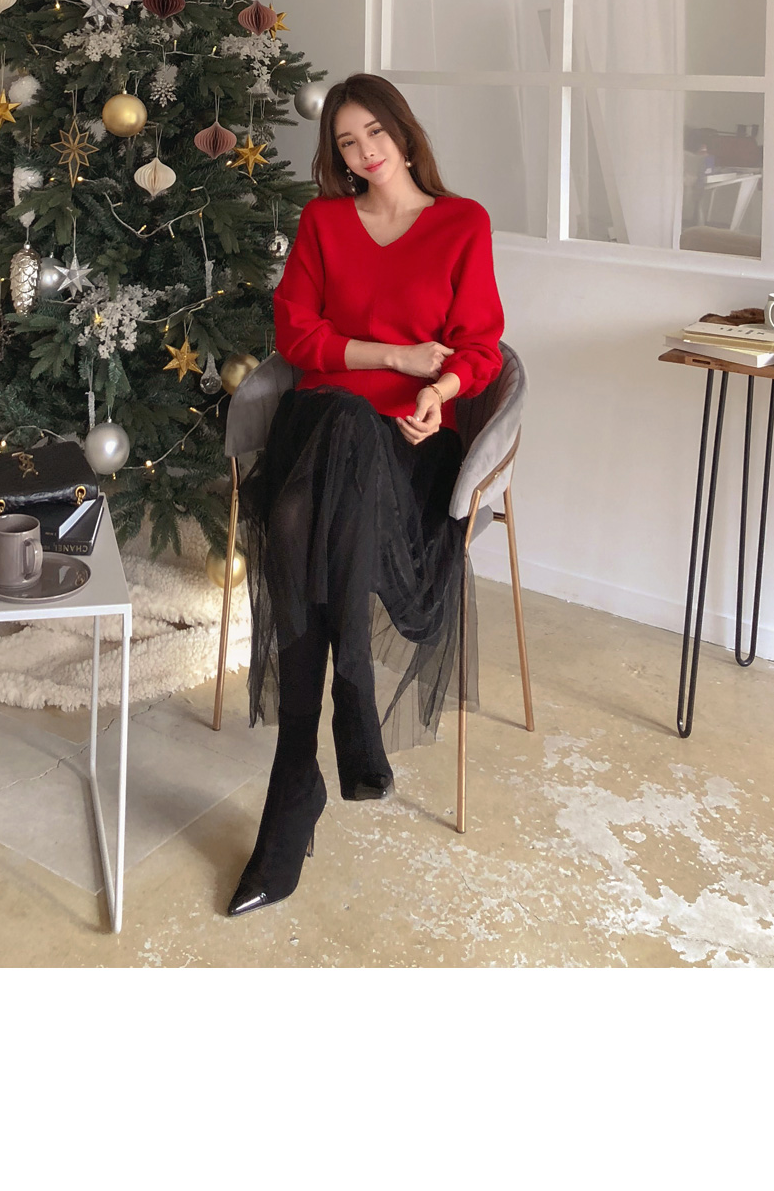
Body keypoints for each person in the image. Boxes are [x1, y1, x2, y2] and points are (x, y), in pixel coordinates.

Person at [228, 73, 505, 916]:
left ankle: (294, 784)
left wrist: (439, 391)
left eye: (375, 132)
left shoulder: (462, 223)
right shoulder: (323, 222)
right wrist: (394, 359)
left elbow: (481, 347)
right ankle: (351, 703)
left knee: (294, 516)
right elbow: (295, 334)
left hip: (407, 449)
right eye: (346, 143)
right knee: (333, 435)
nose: (364, 152)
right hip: (323, 426)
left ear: (404, 133)